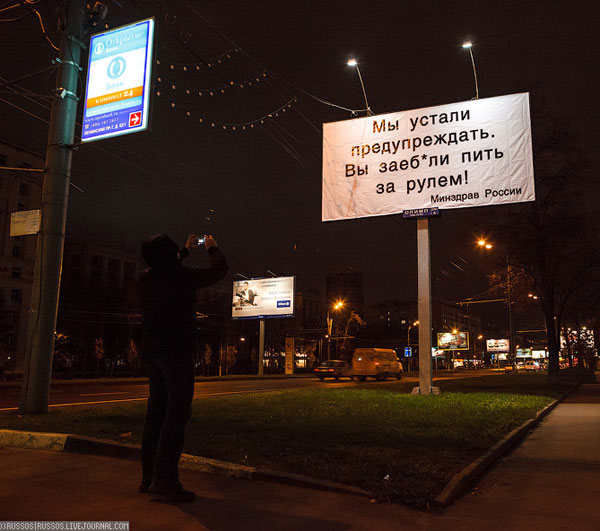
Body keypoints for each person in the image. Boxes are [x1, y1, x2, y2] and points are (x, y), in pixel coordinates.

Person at [139, 233, 228, 502]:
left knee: (156, 412)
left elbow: (166, 264)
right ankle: (166, 481)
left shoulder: (146, 278)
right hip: (176, 351)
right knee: (176, 415)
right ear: (171, 256)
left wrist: (185, 251)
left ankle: (149, 477)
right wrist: (212, 247)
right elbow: (219, 270)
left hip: (152, 351)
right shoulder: (182, 277)